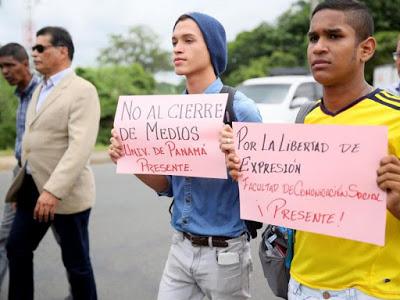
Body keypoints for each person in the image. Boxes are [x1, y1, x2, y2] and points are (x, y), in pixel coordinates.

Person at [220, 0, 400, 299]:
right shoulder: (306, 118)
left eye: (334, 36)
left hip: (370, 291)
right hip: (301, 285)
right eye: (313, 37)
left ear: (366, 49)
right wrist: (250, 173)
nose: (318, 47)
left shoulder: (395, 117)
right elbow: (292, 198)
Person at [109, 12, 261, 300]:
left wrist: (239, 163)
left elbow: (268, 188)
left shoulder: (240, 109)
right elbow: (166, 186)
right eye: (174, 41)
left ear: (213, 49)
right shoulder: (169, 111)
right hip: (179, 247)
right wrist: (130, 160)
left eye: (189, 40)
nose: (177, 48)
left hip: (225, 255)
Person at [4, 26, 100, 300]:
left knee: (76, 264)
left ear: (62, 51)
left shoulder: (82, 91)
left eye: (40, 48)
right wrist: (20, 185)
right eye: (33, 48)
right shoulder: (39, 89)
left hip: (65, 193)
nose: (34, 53)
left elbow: (79, 147)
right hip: (31, 189)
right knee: (17, 248)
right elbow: (32, 141)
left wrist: (53, 191)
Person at [0, 43, 40, 292]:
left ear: (25, 64)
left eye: (9, 65)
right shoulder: (21, 93)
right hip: (20, 174)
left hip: (45, 176)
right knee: (6, 236)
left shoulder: (43, 91)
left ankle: (80, 291)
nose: (5, 72)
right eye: (1, 67)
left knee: (69, 242)